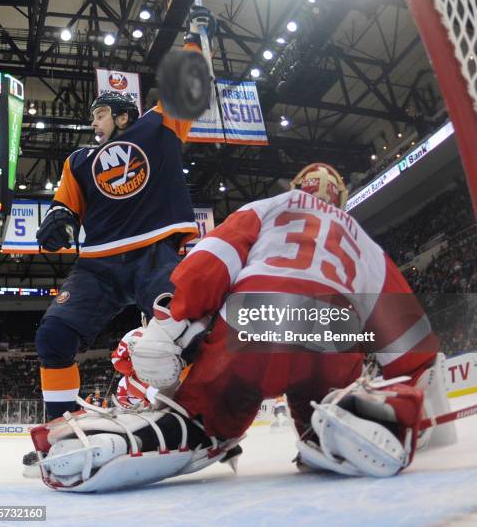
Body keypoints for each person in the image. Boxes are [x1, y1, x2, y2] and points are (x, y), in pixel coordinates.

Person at [30, 162, 455, 491]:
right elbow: (408, 335)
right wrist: (415, 385)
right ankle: (345, 422)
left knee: (203, 423)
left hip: (252, 321)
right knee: (321, 412)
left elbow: (209, 265)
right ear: (340, 199)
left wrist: (177, 317)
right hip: (333, 330)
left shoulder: (266, 207)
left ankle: (126, 441)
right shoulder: (361, 238)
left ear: (296, 187)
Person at [33, 6, 216, 422]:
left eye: (99, 115)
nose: (93, 123)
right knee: (53, 337)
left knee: (182, 329)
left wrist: (196, 37)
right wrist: (57, 221)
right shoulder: (78, 160)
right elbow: (65, 203)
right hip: (97, 266)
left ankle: (196, 411)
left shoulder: (158, 127)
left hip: (154, 254)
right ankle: (59, 427)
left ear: (122, 115)